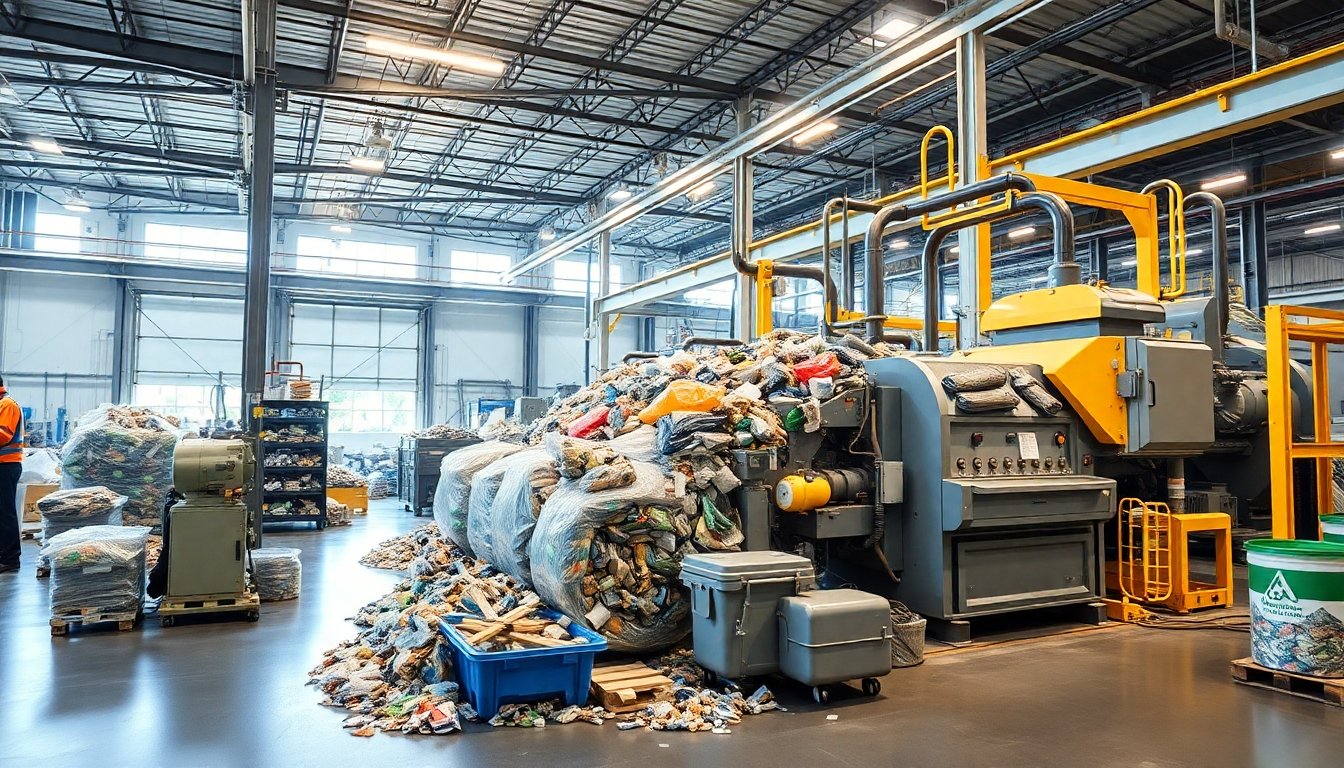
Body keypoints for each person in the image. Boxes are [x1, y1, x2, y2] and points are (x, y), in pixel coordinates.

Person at [0, 375, 24, 573]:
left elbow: (3, 435)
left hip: (6, 466)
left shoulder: (7, 404)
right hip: (3, 465)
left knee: (5, 512)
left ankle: (10, 558)